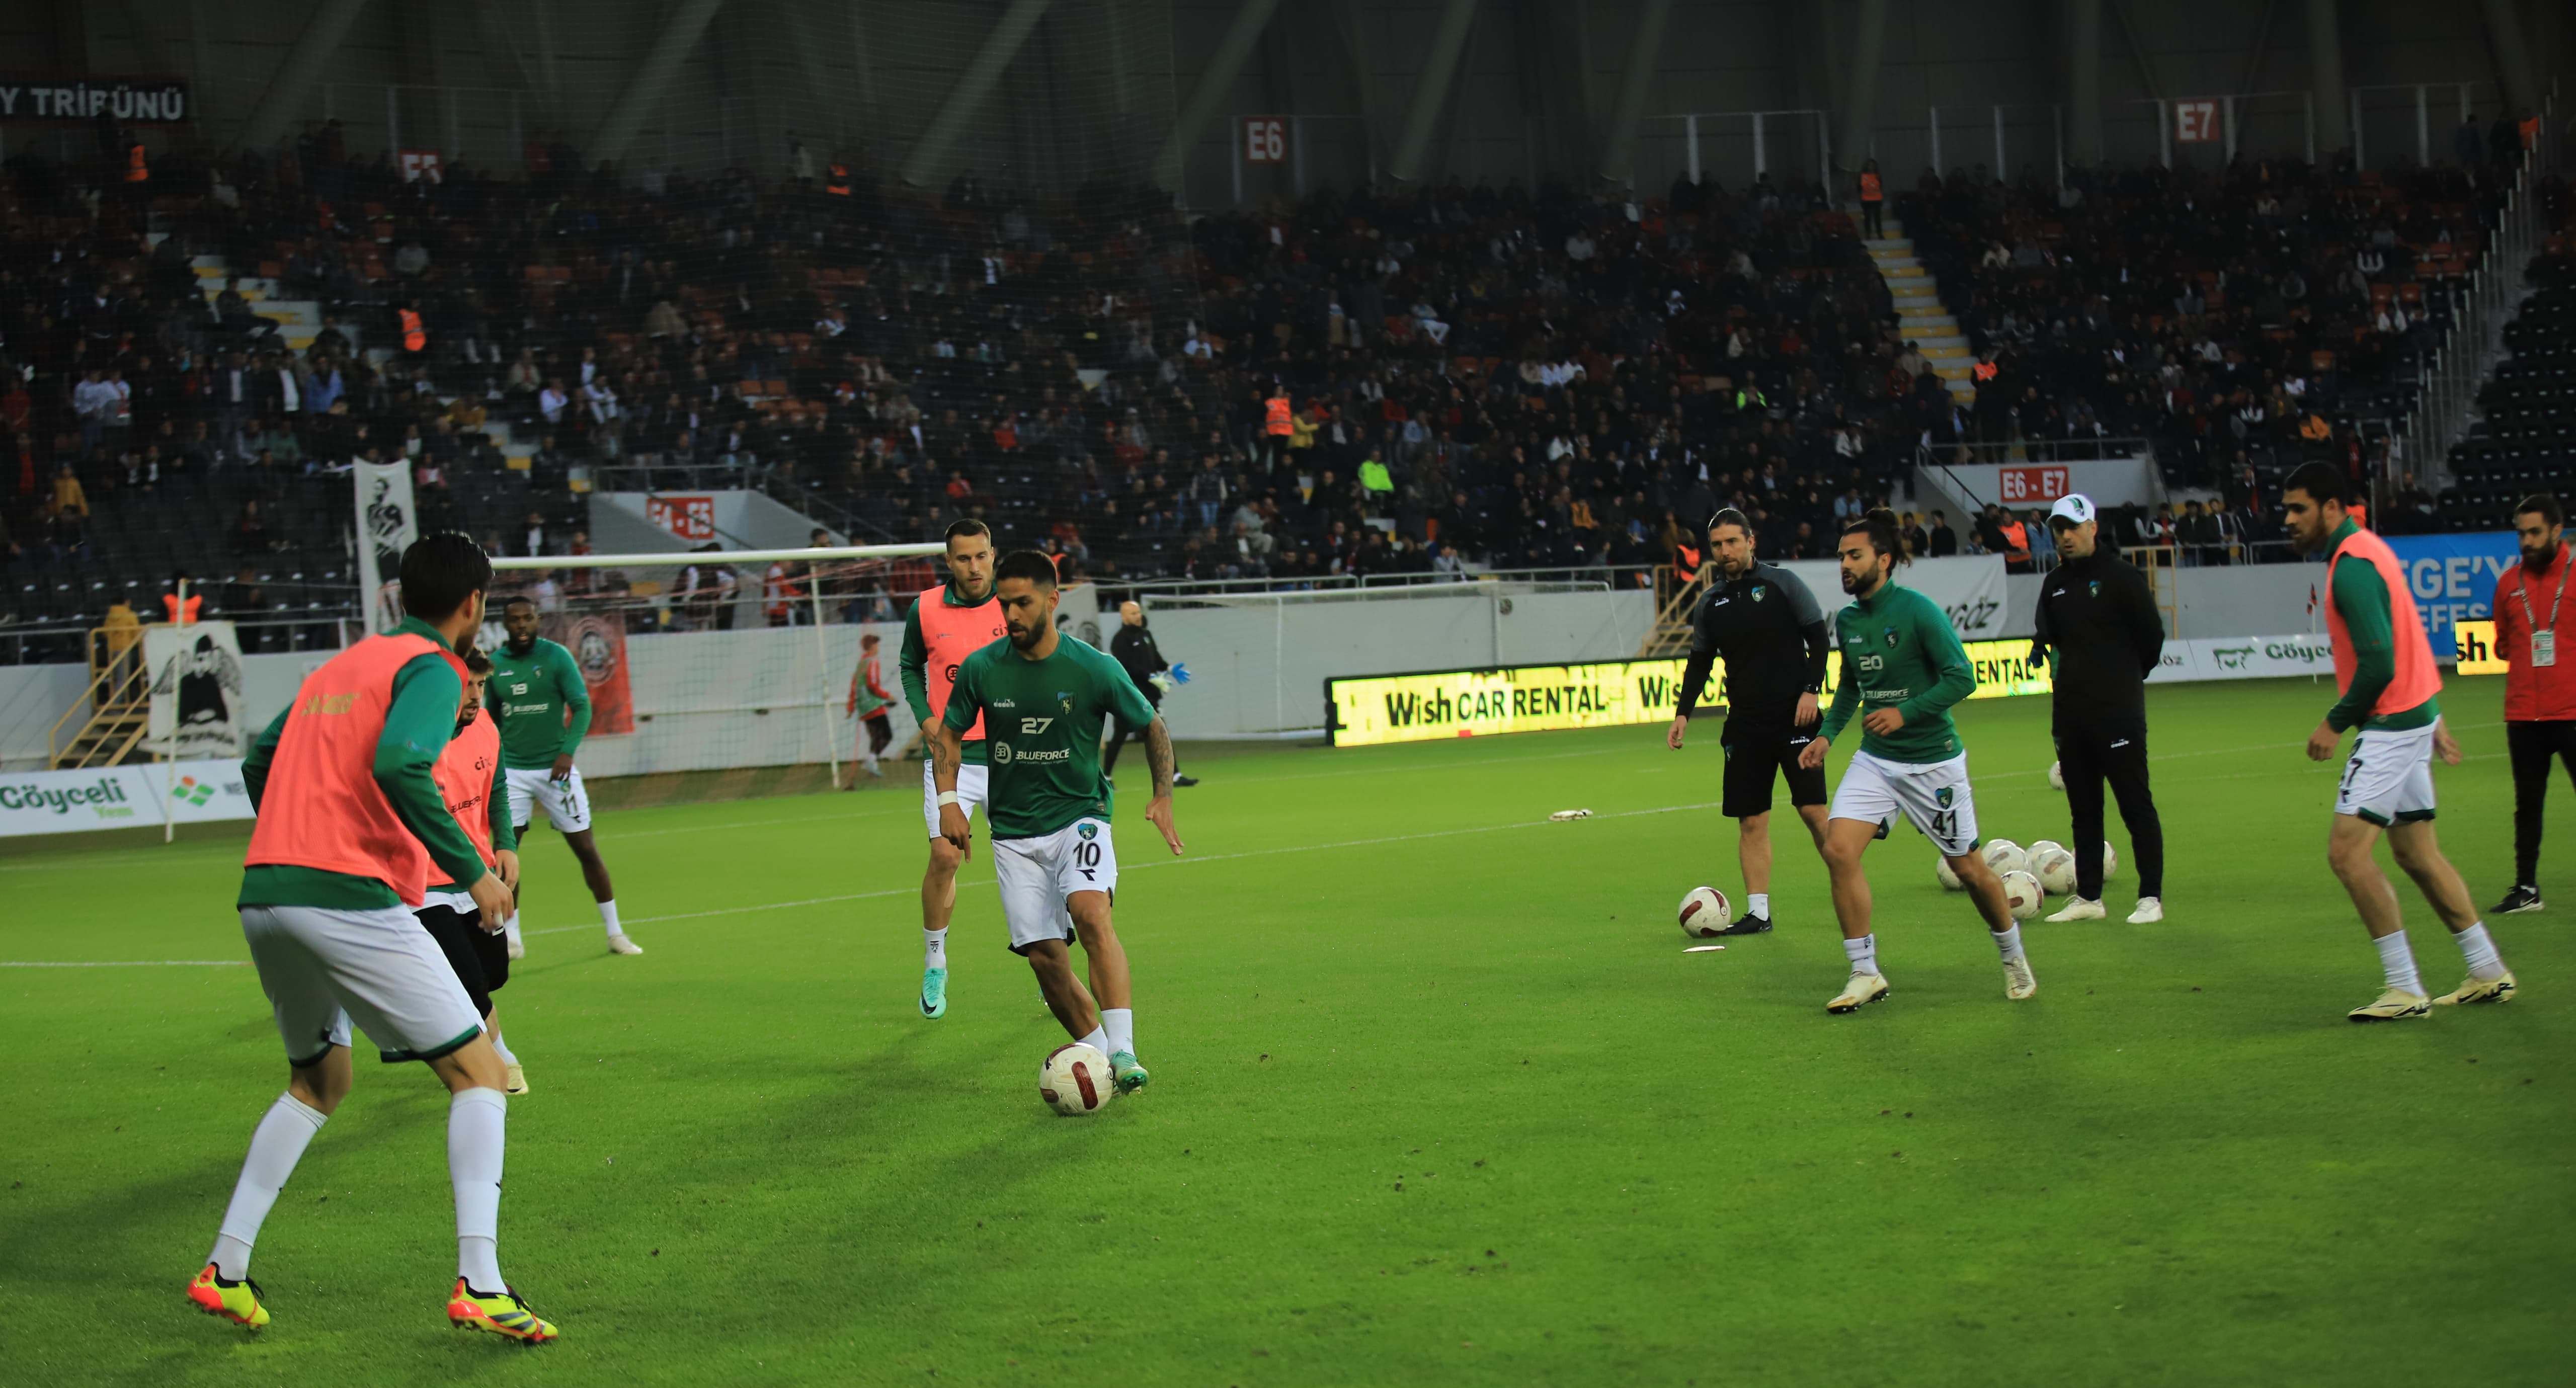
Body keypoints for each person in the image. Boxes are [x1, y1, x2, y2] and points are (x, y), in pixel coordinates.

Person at [195, 532, 555, 1342]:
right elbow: (401, 764)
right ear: (474, 604)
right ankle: (482, 1282)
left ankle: (226, 1266)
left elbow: (262, 758)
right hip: (346, 895)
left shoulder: (338, 667)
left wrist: (296, 836)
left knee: (321, 1081)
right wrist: (474, 871)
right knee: (482, 1072)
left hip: (266, 894)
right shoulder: (435, 667)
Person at [929, 551, 1184, 1095]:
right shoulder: (982, 667)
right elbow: (948, 734)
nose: (1012, 614)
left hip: (1080, 818)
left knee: (1090, 913)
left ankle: (1124, 1049)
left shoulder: (1093, 667)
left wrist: (1162, 794)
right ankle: (1095, 1059)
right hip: (1014, 834)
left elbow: (1151, 723)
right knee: (1046, 959)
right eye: (1005, 603)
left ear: (1052, 599)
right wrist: (948, 799)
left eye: (1022, 602)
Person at [2281, 461, 2515, 1020]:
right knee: (2415, 851)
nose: (2287, 519)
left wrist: (2334, 722)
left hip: (2388, 725)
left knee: (2346, 854)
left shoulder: (2351, 567)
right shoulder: (2371, 548)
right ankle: (2486, 969)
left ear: (2330, 507)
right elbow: (2409, 636)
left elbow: (2381, 659)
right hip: (2412, 716)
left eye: (2297, 508)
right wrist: (2433, 719)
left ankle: (2404, 987)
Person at [1798, 510, 2032, 1013]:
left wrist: (1904, 713)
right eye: (1840, 555)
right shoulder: (1851, 621)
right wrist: (1825, 736)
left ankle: (2013, 956)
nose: (1843, 563)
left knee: (1968, 870)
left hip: (1932, 763)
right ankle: (1864, 971)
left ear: (1882, 560)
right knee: (1838, 850)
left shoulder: (1918, 611)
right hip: (1877, 761)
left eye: (1853, 554)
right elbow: (1850, 689)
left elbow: (1961, 677)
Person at [1665, 508, 1832, 933]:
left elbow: (1818, 636)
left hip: (1795, 719)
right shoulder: (1710, 603)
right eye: (1718, 545)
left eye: (1733, 542)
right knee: (1752, 820)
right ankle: (1759, 913)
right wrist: (1683, 712)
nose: (1726, 551)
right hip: (1744, 723)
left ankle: (1846, 879)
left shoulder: (1783, 584)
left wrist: (1811, 690)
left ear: (1751, 541)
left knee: (1813, 811)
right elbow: (1700, 661)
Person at [2028, 495, 2167, 923]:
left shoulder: (2123, 577)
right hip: (2071, 715)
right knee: (2083, 810)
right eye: (2058, 529)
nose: (2064, 536)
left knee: (2134, 803)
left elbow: (2152, 639)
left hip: (2117, 712)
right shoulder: (2054, 583)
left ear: (2093, 527)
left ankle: (2150, 898)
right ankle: (2089, 898)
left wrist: (2121, 680)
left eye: (2072, 527)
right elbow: (2048, 639)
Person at [487, 597, 639, 959]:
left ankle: (615, 933)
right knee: (506, 854)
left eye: (528, 618)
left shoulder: (556, 657)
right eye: (515, 620)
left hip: (557, 769)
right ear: (506, 624)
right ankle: (512, 938)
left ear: (537, 620)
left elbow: (582, 705)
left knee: (586, 848)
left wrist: (567, 752)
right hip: (512, 773)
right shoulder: (496, 665)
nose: (522, 625)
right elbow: (490, 721)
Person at [900, 519, 1006, 1019]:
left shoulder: (1014, 601)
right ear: (949, 560)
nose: (973, 566)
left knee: (1036, 863)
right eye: (963, 558)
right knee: (944, 856)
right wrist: (925, 717)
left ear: (992, 554)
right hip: (951, 756)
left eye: (980, 555)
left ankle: (1050, 968)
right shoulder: (923, 608)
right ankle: (935, 960)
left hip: (1012, 755)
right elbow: (908, 665)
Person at [419, 650, 529, 1095]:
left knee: (492, 974)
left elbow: (498, 788)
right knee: (466, 982)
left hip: (479, 877)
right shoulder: (417, 737)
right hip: (423, 885)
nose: (476, 696)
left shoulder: (485, 726)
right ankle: (500, 1060)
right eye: (467, 685)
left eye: (482, 686)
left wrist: (505, 843)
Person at [2489, 493, 2576, 915]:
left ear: (2558, 531)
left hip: (2573, 711)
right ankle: (2526, 887)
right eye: (2521, 533)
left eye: (2534, 532)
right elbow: (2503, 643)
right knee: (2528, 805)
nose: (2526, 541)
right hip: (2523, 714)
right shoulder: (2508, 583)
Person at [1105, 601, 1199, 786]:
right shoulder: (1120, 640)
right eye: (1133, 613)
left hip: (1150, 695)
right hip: (1130, 696)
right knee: (1119, 736)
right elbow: (1125, 668)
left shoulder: (1146, 634)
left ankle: (1175, 776)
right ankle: (1106, 778)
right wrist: (1149, 676)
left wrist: (1170, 669)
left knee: (1160, 733)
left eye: (1138, 612)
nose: (1137, 616)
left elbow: (1155, 659)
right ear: (1124, 617)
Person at [846, 632, 897, 782]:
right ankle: (871, 760)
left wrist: (851, 707)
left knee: (876, 736)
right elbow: (873, 685)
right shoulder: (872, 662)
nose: (878, 647)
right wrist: (887, 696)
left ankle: (872, 762)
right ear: (872, 646)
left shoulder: (861, 664)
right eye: (876, 644)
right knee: (887, 735)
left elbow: (854, 686)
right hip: (873, 705)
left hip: (863, 707)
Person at [1857, 158, 1886, 239]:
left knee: (1877, 217)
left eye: (1873, 165)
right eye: (1870, 165)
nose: (1871, 167)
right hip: (1866, 199)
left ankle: (1879, 233)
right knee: (1867, 217)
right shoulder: (1862, 176)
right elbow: (1859, 188)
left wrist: (1881, 197)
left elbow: (1880, 187)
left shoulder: (1878, 176)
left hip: (1877, 199)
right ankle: (1868, 234)